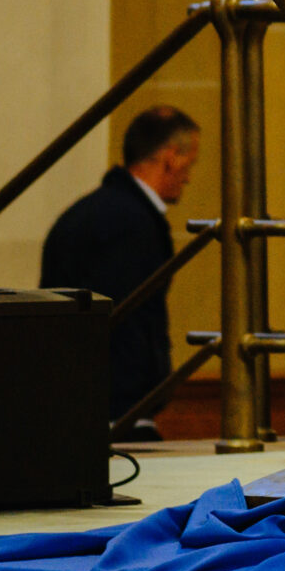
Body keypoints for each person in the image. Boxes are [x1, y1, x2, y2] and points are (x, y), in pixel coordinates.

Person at [41, 105, 199, 434]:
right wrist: (141, 397)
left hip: (71, 399)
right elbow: (129, 318)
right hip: (117, 413)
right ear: (171, 157)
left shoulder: (84, 212)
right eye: (190, 162)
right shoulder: (133, 223)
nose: (189, 175)